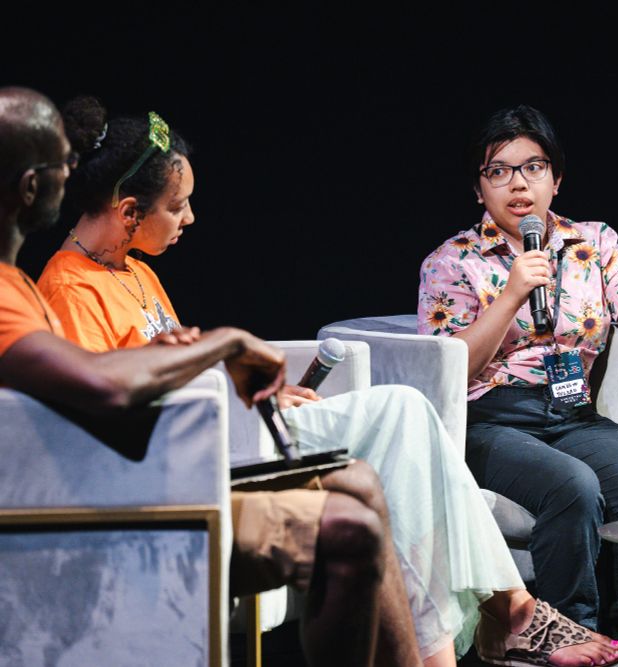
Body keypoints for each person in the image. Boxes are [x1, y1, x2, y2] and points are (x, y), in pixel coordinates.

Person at [39, 96, 618, 667]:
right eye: (177, 205)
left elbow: (176, 366)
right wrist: (231, 394)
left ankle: (480, 630)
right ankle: (511, 612)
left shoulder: (133, 270)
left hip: (236, 426)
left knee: (403, 454)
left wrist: (262, 393)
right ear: (128, 211)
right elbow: (115, 415)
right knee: (402, 411)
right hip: (198, 453)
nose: (190, 218)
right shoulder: (71, 288)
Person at [0, 86, 412, 667]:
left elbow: (100, 372)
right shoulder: (32, 291)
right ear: (29, 188)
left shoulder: (22, 284)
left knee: (362, 483)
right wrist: (222, 344)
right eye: (60, 166)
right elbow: (101, 390)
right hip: (123, 505)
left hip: (161, 476)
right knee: (350, 526)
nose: (73, 174)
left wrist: (190, 360)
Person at [417, 104, 618, 642]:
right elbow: (447, 369)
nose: (517, 184)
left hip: (571, 414)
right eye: (498, 171)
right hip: (489, 420)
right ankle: (569, 635)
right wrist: (512, 293)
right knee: (573, 487)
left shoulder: (592, 243)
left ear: (556, 178)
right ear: (479, 190)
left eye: (533, 167)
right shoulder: (452, 261)